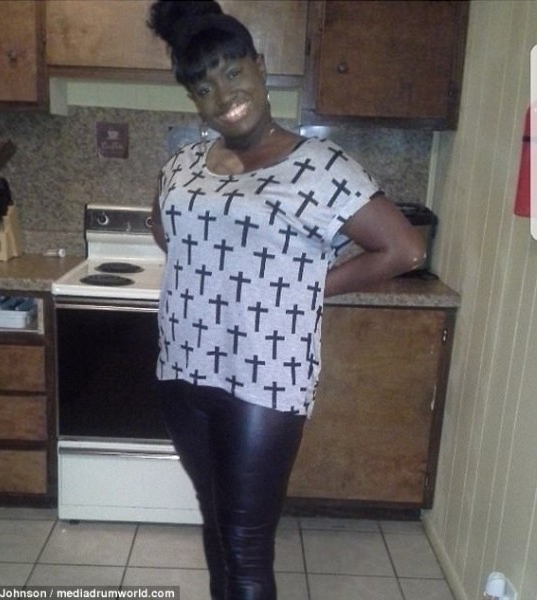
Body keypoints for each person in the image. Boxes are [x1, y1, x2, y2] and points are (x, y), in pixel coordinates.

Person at [147, 2, 425, 598]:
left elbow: (403, 249)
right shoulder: (182, 165)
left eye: (232, 72)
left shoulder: (321, 167)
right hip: (182, 369)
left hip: (264, 379)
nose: (223, 96)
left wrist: (305, 284)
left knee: (247, 546)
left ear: (260, 66)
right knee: (215, 522)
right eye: (203, 88)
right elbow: (165, 230)